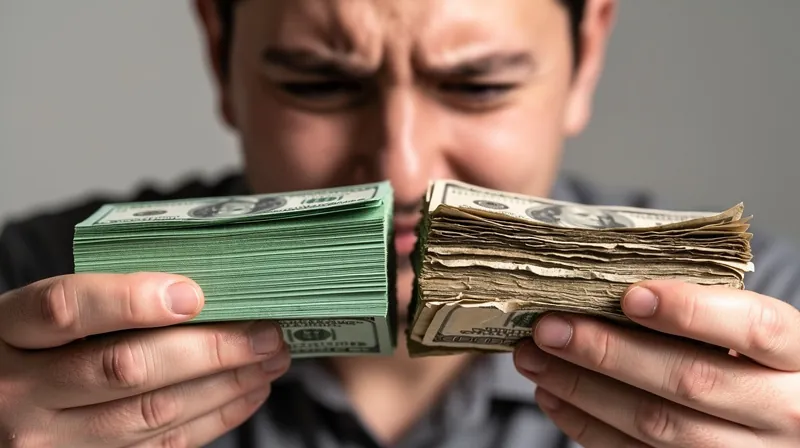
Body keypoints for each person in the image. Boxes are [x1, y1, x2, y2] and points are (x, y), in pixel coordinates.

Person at [1, 0, 799, 447]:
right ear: (219, 52)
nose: (405, 170)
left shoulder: (772, 330)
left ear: (587, 53)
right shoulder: (28, 305)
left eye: (478, 86)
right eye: (318, 83)